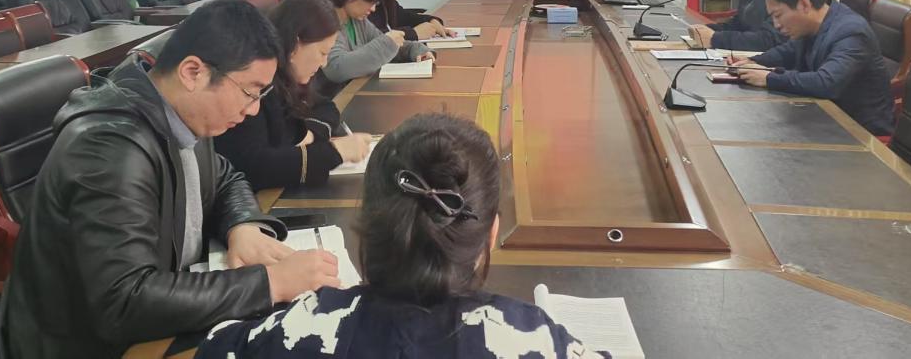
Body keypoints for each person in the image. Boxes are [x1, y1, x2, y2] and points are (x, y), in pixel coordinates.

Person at [0, 0, 341, 359]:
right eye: (249, 92)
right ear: (193, 72)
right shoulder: (110, 148)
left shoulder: (179, 111)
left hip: (161, 313)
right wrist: (271, 283)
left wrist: (243, 225)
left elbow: (225, 176)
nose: (253, 109)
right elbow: (124, 302)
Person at [195, 113, 611, 358]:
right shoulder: (533, 338)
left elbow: (215, 346)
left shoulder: (306, 325)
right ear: (491, 233)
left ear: (367, 223)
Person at [215, 0, 372, 191]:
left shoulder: (289, 78)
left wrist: (309, 135)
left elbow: (325, 106)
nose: (324, 63)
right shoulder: (256, 82)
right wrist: (335, 152)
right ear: (296, 44)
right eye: (322, 53)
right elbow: (253, 167)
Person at [731, 0, 895, 136]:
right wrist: (754, 62)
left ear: (804, 5)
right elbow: (788, 51)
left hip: (861, 134)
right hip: (824, 121)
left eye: (778, 15)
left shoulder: (851, 32)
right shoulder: (813, 24)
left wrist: (768, 78)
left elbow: (826, 83)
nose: (776, 25)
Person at [319, 0, 433, 100]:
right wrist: (388, 42)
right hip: (335, 101)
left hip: (355, 94)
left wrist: (415, 50)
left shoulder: (356, 20)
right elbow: (337, 68)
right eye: (370, 1)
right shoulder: (324, 20)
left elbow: (383, 44)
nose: (373, 9)